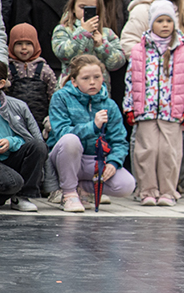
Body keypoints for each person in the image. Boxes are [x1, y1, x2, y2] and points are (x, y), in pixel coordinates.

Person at [124, 0, 184, 206]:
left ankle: (167, 191)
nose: (165, 25)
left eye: (168, 21)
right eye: (160, 21)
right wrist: (129, 106)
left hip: (172, 112)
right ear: (151, 24)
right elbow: (131, 80)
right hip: (145, 110)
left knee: (169, 152)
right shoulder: (140, 50)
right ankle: (147, 190)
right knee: (146, 150)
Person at [47, 55, 136, 212]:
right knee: (70, 140)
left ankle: (83, 188)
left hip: (93, 160)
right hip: (64, 158)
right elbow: (61, 132)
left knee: (126, 185)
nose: (92, 82)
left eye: (97, 77)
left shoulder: (109, 104)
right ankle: (68, 194)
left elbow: (119, 140)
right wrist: (93, 126)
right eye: (85, 78)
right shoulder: (60, 98)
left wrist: (114, 162)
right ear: (74, 81)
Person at [0, 58, 46, 211]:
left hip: (9, 158)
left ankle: (21, 197)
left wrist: (11, 142)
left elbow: (34, 139)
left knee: (38, 146)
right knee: (11, 182)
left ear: (1, 83)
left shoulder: (18, 106)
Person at [51, 0, 126, 81]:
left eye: (92, 8)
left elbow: (118, 63)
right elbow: (63, 54)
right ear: (73, 7)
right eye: (82, 7)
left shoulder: (107, 33)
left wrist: (102, 45)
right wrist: (83, 32)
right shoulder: (63, 30)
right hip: (71, 89)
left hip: (99, 91)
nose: (85, 12)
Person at [6, 25, 56, 133]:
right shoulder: (7, 70)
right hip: (13, 121)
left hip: (41, 121)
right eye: (19, 44)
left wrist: (51, 116)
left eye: (28, 44)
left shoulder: (44, 69)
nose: (24, 48)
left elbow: (54, 95)